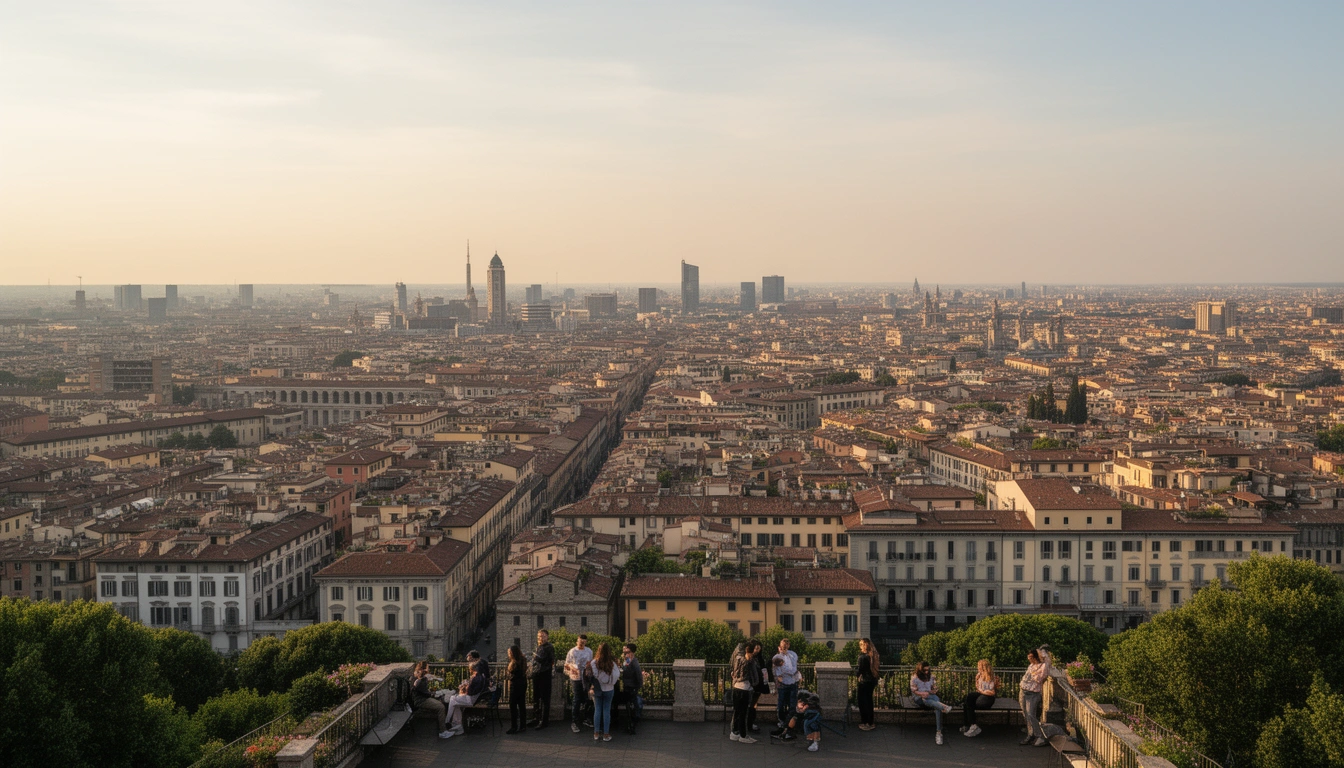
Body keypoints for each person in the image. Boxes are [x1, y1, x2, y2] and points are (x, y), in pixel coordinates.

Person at [443, 654, 490, 738]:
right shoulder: (480, 676)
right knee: (456, 705)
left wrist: (465, 689)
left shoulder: (476, 678)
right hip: (474, 698)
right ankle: (457, 725)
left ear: (473, 669)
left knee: (452, 699)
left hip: (471, 699)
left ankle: (447, 721)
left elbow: (470, 692)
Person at [910, 661, 953, 745]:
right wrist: (922, 693)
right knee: (926, 698)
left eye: (928, 670)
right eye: (924, 670)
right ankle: (944, 707)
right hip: (919, 697)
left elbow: (934, 688)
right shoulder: (914, 678)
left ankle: (939, 732)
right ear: (920, 670)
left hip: (930, 696)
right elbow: (914, 691)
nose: (926, 672)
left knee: (935, 705)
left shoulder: (931, 677)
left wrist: (933, 690)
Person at [728, 642, 760, 743]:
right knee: (743, 713)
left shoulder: (737, 659)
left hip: (736, 687)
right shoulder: (750, 661)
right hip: (745, 689)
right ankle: (743, 735)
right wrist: (754, 683)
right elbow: (753, 676)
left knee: (737, 712)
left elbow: (733, 671)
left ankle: (734, 733)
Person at [587, 642, 620, 742]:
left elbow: (592, 676)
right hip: (609, 689)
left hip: (598, 689)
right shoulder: (612, 663)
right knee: (606, 711)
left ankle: (596, 733)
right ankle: (606, 734)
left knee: (597, 710)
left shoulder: (594, 662)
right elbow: (617, 675)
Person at [770, 638, 800, 739]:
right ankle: (782, 724)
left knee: (792, 706)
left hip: (792, 683)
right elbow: (777, 671)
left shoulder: (793, 655)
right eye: (783, 646)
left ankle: (787, 727)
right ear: (780, 646)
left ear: (788, 646)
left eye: (786, 646)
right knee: (780, 706)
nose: (784, 648)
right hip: (782, 684)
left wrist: (786, 671)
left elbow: (793, 669)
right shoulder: (777, 657)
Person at [960, 659, 998, 738]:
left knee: (973, 703)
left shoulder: (991, 677)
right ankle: (971, 725)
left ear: (983, 667)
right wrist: (976, 680)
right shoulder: (979, 675)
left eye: (979, 666)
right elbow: (978, 688)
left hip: (988, 697)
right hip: (982, 694)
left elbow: (992, 692)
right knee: (969, 698)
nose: (978, 668)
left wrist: (982, 691)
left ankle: (971, 725)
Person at [564, 634, 594, 734]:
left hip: (586, 678)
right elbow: (566, 664)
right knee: (576, 699)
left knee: (587, 698)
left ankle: (586, 718)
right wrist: (572, 668)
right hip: (575, 678)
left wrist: (589, 667)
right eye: (580, 642)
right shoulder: (572, 651)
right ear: (577, 641)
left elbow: (591, 663)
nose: (582, 644)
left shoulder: (589, 651)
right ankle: (574, 721)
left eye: (584, 642)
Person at [412, 662, 450, 738]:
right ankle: (443, 731)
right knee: (441, 707)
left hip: (423, 698)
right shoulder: (420, 680)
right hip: (421, 701)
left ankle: (444, 726)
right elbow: (424, 693)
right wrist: (434, 694)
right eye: (427, 667)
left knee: (441, 702)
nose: (428, 669)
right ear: (423, 669)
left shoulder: (422, 678)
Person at [1020, 649, 1050, 747]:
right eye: (1029, 657)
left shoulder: (1043, 666)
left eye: (1031, 657)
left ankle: (1040, 736)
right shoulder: (1031, 666)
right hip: (1024, 691)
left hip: (1033, 693)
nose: (1029, 659)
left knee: (1031, 715)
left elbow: (1039, 679)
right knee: (1026, 714)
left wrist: (1033, 673)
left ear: (1036, 657)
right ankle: (1031, 734)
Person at [528, 629, 555, 729]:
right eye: (539, 636)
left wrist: (537, 658)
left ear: (547, 637)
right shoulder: (538, 647)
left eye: (543, 636)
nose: (541, 638)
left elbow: (551, 661)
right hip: (537, 674)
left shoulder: (549, 647)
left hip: (545, 675)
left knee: (544, 699)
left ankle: (544, 721)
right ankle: (536, 718)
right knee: (536, 697)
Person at [619, 643, 644, 735]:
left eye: (627, 651)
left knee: (631, 704)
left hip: (631, 687)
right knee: (629, 705)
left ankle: (632, 724)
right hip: (628, 686)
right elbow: (625, 669)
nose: (625, 652)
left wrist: (638, 686)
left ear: (631, 651)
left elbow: (638, 675)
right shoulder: (628, 660)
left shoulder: (634, 662)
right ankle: (631, 723)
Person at [855, 638, 880, 730]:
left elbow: (859, 670)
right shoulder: (873, 656)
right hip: (872, 681)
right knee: (869, 701)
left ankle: (865, 722)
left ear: (864, 646)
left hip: (864, 682)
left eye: (861, 645)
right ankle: (870, 722)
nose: (860, 647)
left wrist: (855, 673)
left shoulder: (862, 657)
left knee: (862, 702)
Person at [505, 645, 528, 734]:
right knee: (522, 705)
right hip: (523, 684)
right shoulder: (523, 660)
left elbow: (512, 675)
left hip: (515, 685)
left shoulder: (514, 663)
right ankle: (523, 725)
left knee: (513, 706)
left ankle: (514, 726)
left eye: (509, 653)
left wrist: (508, 675)